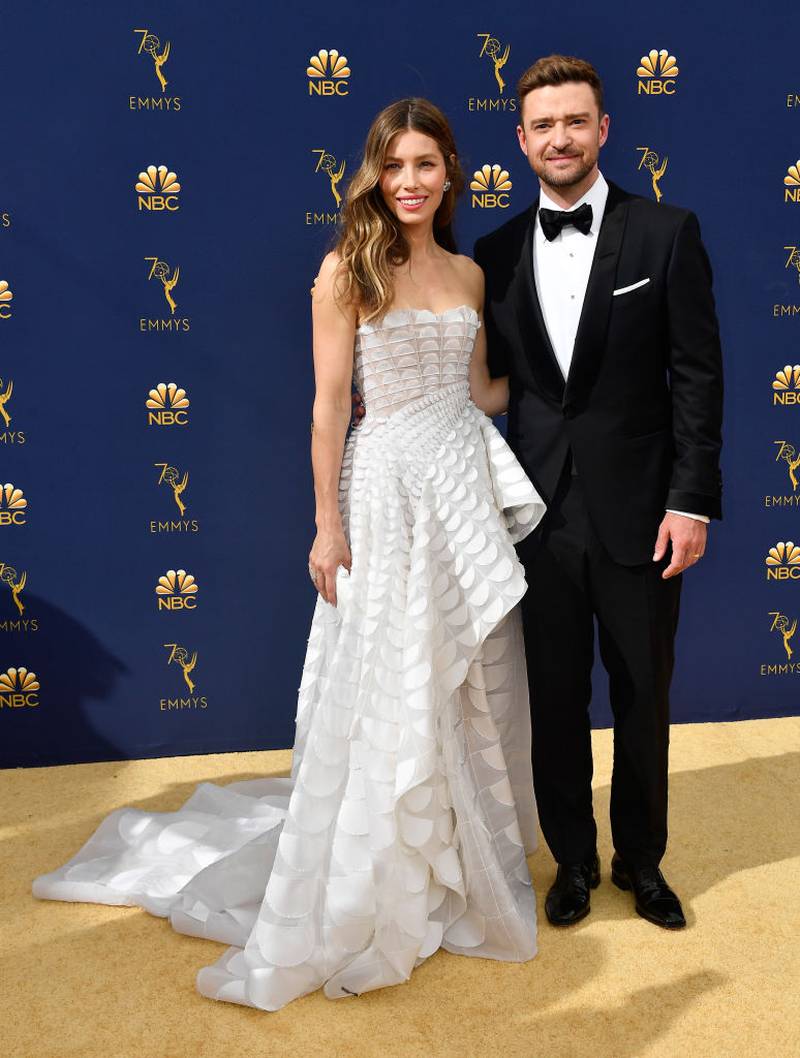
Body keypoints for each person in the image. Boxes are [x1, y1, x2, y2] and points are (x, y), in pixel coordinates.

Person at [32, 98, 545, 1010]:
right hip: (383, 488)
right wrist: (326, 522)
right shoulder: (347, 271)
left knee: (468, 674)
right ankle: (381, 871)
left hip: (457, 483)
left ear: (452, 171)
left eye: (428, 164)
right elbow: (328, 406)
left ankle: (460, 865)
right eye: (396, 166)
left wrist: (575, 378)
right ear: (375, 176)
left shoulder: (469, 276)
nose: (412, 182)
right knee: (391, 674)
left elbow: (481, 392)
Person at [474, 55, 723, 931]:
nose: (560, 138)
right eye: (543, 125)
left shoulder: (665, 233)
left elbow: (696, 375)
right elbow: (493, 385)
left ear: (604, 128)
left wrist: (691, 501)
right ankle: (572, 862)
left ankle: (642, 864)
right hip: (537, 518)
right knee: (552, 700)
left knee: (643, 697)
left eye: (574, 121)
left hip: (645, 515)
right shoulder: (496, 252)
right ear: (521, 140)